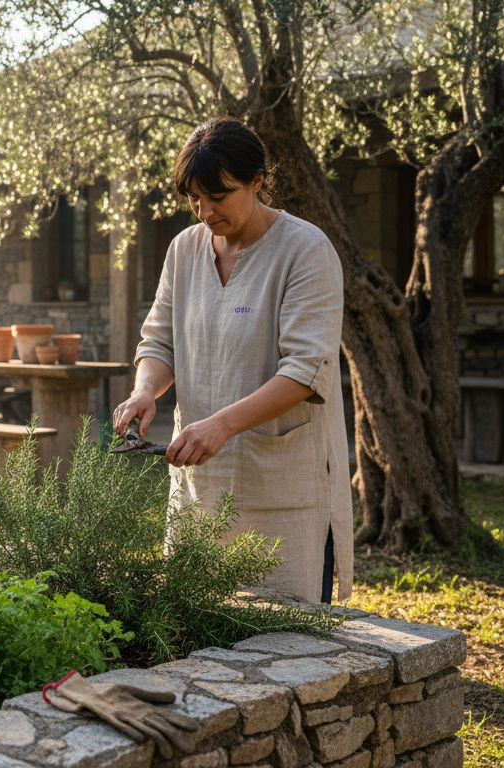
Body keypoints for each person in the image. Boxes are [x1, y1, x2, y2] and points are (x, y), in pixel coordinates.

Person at [111, 117, 352, 604]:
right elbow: (159, 343)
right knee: (193, 624)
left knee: (289, 641)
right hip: (201, 483)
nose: (204, 211)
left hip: (285, 488)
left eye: (217, 196)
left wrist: (220, 425)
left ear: (258, 181)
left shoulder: (305, 251)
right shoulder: (184, 250)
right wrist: (144, 391)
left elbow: (305, 371)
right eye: (194, 199)